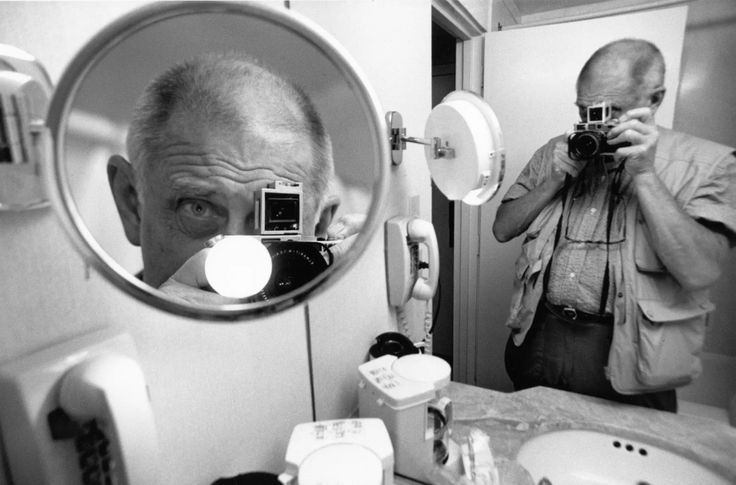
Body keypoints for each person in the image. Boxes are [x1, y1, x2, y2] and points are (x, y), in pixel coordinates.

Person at [493, 38, 736, 412]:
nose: (597, 125)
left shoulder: (710, 164)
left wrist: (646, 176)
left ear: (654, 99)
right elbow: (502, 228)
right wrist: (555, 181)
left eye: (612, 110)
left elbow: (701, 272)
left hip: (632, 350)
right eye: (586, 110)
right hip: (543, 331)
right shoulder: (558, 151)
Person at [107, 52, 358, 304]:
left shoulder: (351, 338)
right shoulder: (93, 342)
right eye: (198, 208)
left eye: (277, 218)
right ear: (131, 205)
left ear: (319, 227)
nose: (234, 259)